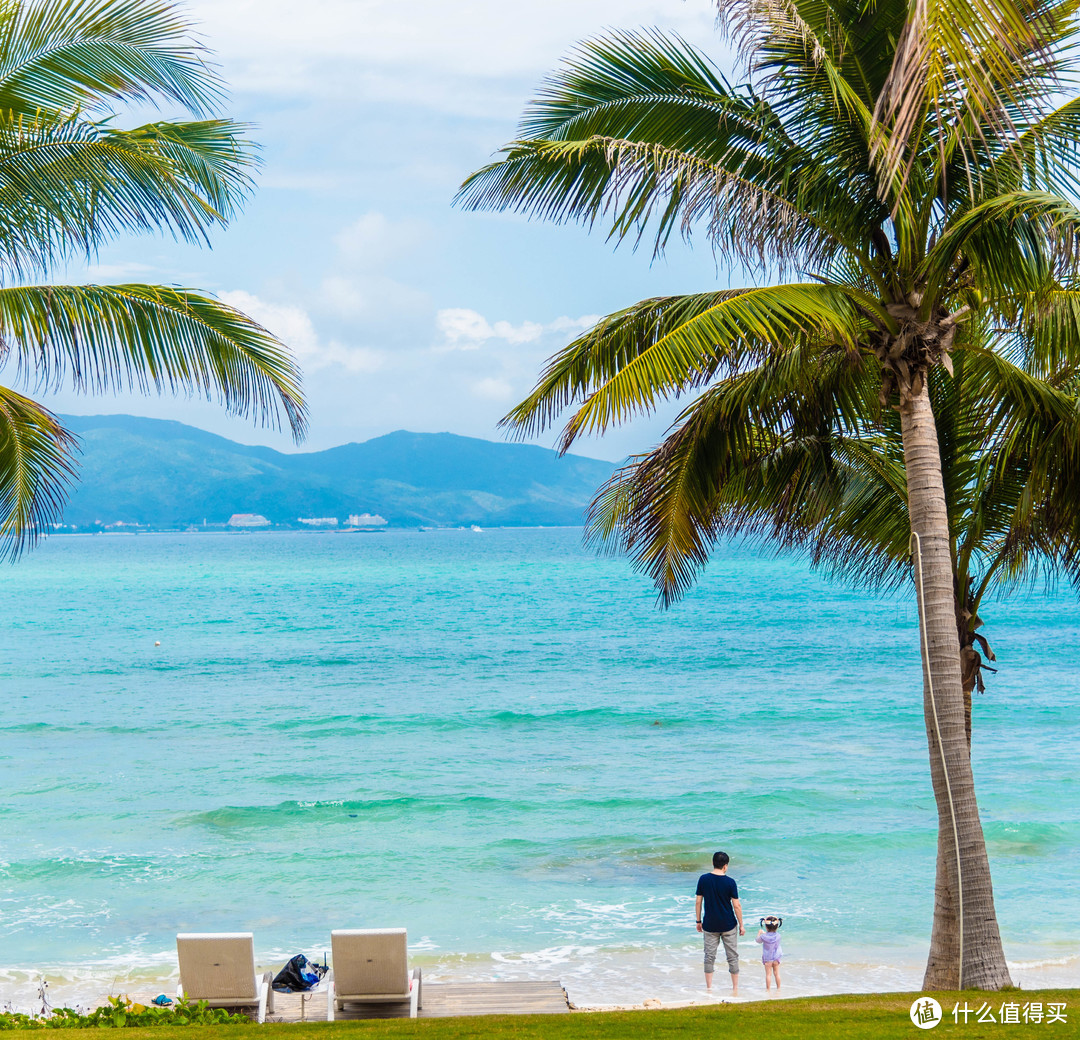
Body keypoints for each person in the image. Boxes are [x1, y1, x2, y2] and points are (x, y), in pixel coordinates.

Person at [695, 851, 744, 995]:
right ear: (726, 866)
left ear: (712, 863)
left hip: (710, 924)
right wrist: (741, 925)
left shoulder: (703, 879)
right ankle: (735, 988)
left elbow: (698, 901)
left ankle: (709, 988)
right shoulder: (730, 882)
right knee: (732, 956)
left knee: (709, 956)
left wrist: (698, 921)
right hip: (729, 924)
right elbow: (736, 906)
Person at [756, 915, 783, 991]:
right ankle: (779, 989)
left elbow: (757, 940)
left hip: (768, 958)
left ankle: (768, 990)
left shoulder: (763, 936)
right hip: (776, 957)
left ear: (766, 927)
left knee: (768, 974)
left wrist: (759, 933)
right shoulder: (778, 936)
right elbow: (772, 935)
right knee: (777, 973)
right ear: (777, 927)